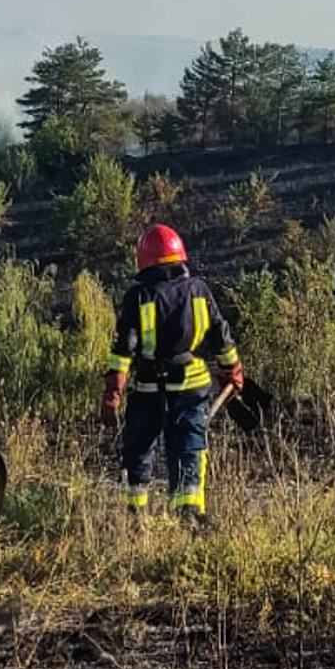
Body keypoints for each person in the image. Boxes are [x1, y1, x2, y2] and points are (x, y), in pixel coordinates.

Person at [100, 223, 243, 522]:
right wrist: (232, 371)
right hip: (192, 387)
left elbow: (123, 352)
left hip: (149, 389)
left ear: (144, 261)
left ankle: (136, 515)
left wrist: (113, 394)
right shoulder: (199, 291)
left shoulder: (137, 297)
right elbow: (221, 335)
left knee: (138, 447)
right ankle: (187, 512)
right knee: (189, 446)